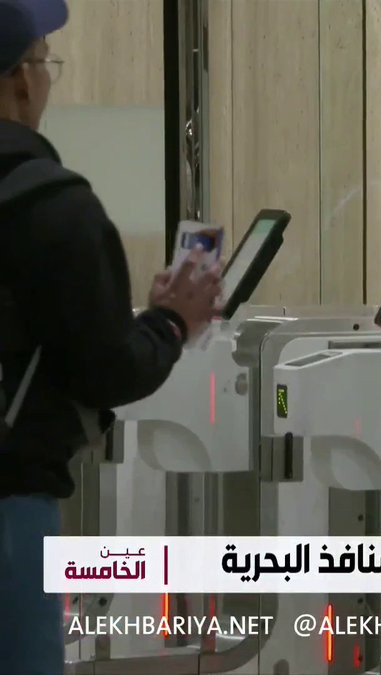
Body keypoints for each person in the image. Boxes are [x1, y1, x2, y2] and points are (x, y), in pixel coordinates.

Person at [0, 1, 223, 672]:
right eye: (45, 62)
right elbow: (106, 366)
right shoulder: (51, 206)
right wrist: (170, 321)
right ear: (20, 80)